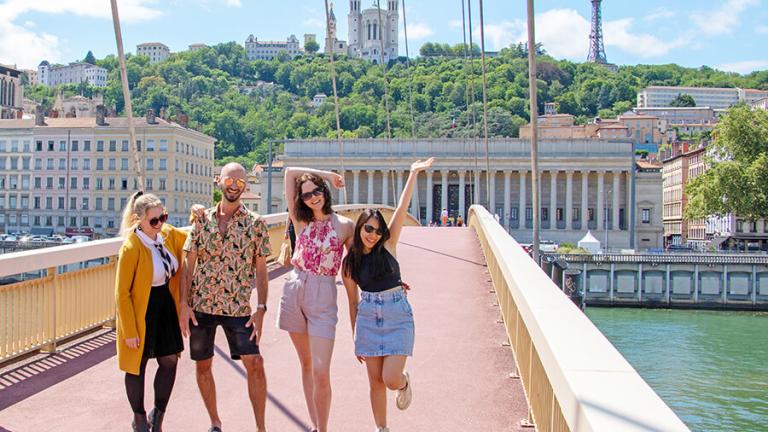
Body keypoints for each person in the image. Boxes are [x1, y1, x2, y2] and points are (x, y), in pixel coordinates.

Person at [342, 158, 434, 432]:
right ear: (359, 228)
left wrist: (413, 174)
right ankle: (382, 428)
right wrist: (356, 338)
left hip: (397, 314)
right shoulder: (350, 264)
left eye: (377, 230)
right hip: (368, 318)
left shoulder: (389, 245)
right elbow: (352, 303)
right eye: (368, 228)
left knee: (390, 378)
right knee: (375, 382)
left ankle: (404, 383)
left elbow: (403, 207)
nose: (373, 234)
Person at [180, 163, 271, 432]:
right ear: (218, 180)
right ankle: (215, 422)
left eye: (240, 183)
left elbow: (262, 269)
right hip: (202, 305)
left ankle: (261, 428)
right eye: (230, 180)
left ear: (246, 186)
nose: (234, 186)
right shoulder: (201, 220)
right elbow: (189, 264)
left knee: (255, 363)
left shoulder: (256, 224)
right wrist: (184, 304)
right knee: (203, 364)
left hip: (238, 306)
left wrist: (262, 308)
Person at [278, 167, 354, 432]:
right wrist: (324, 173)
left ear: (325, 192)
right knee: (307, 364)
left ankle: (323, 428)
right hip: (295, 288)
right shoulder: (300, 221)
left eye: (317, 190)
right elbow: (289, 173)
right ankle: (315, 425)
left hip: (323, 295)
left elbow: (356, 270)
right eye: (307, 194)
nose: (313, 197)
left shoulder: (345, 226)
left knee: (321, 371)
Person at [115, 191, 187, 432]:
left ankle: (159, 414)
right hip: (140, 311)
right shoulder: (131, 247)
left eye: (163, 217)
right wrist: (129, 330)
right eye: (154, 220)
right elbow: (121, 293)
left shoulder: (164, 234)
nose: (160, 223)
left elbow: (192, 236)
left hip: (165, 305)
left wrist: (198, 212)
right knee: (138, 365)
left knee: (169, 361)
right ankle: (139, 417)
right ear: (139, 220)